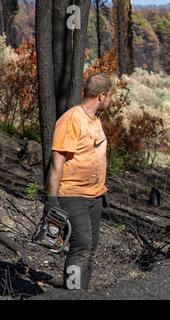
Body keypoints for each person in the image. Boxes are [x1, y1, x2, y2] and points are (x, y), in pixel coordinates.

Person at [43, 72, 113, 290]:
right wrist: (51, 200)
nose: (111, 100)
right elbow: (57, 163)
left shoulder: (95, 120)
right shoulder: (72, 119)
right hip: (72, 195)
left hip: (95, 196)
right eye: (110, 96)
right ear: (101, 96)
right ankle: (71, 293)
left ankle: (78, 289)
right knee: (81, 246)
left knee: (91, 248)